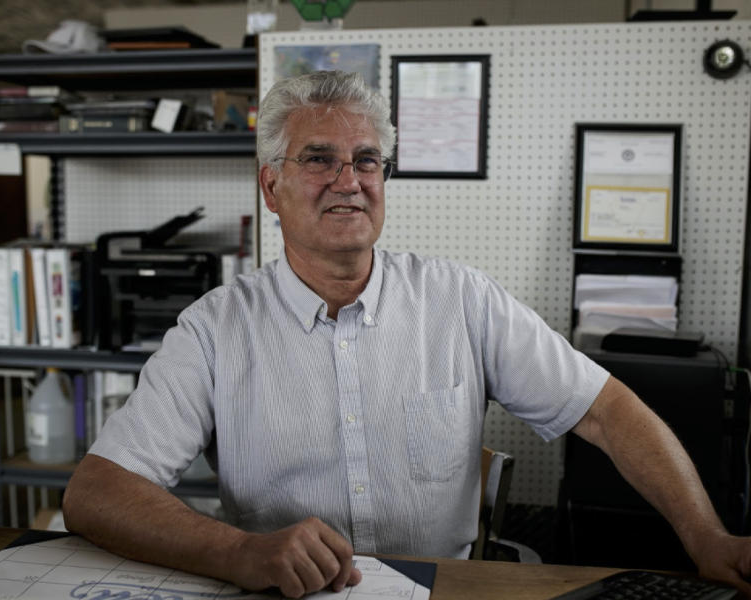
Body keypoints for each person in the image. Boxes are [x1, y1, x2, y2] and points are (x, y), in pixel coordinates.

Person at [63, 70, 751, 599]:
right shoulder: (215, 330)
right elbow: (96, 493)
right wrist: (239, 552)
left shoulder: (461, 300)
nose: (350, 181)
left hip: (441, 592)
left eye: (367, 160)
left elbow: (606, 410)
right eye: (319, 159)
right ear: (271, 187)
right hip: (284, 594)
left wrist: (706, 535)